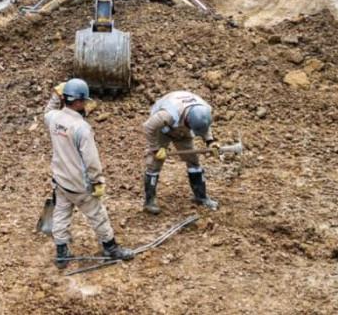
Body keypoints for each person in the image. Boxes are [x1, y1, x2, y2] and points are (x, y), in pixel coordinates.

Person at [45, 79, 135, 268]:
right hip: (79, 184)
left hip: (60, 181)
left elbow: (48, 111)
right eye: (84, 101)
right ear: (77, 102)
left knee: (61, 215)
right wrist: (97, 181)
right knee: (97, 214)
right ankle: (110, 248)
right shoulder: (81, 128)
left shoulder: (54, 119)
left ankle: (62, 253)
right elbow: (91, 161)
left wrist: (55, 95)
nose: (85, 104)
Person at [142, 91, 219, 214]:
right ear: (188, 121)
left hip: (182, 129)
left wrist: (210, 141)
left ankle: (201, 197)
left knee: (193, 161)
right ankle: (149, 202)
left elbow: (205, 125)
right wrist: (155, 149)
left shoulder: (204, 110)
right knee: (155, 163)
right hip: (163, 129)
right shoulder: (167, 115)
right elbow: (148, 127)